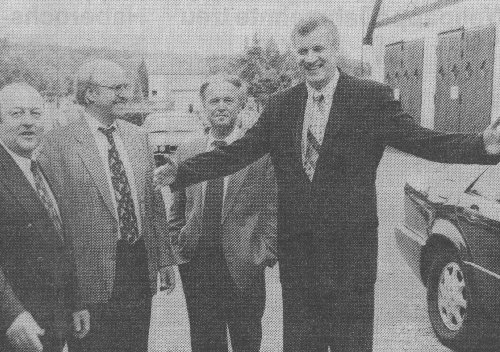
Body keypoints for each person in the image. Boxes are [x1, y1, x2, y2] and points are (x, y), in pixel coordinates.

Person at [154, 15, 500, 352]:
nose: (310, 59)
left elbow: (422, 141)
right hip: (299, 266)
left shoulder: (369, 98)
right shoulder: (281, 106)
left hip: (350, 262)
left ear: (335, 50)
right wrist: (182, 172)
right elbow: (238, 153)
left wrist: (480, 145)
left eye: (318, 49)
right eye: (302, 52)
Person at [39, 60, 176, 352]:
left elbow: (152, 204)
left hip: (137, 266)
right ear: (89, 94)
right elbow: (53, 224)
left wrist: (164, 258)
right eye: (117, 88)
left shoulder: (138, 138)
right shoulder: (58, 144)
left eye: (125, 86)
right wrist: (70, 292)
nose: (125, 94)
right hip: (88, 277)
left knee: (136, 346)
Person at [168, 75, 277, 352]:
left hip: (243, 265)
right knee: (205, 344)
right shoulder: (188, 151)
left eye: (228, 100)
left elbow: (273, 207)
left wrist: (264, 252)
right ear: (203, 107)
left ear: (240, 105)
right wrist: (177, 249)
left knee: (246, 341)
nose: (220, 106)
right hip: (197, 266)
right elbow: (177, 208)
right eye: (213, 100)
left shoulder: (258, 150)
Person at [0, 83, 88, 352]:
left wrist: (75, 302)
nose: (28, 122)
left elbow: (60, 242)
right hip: (16, 328)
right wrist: (11, 314)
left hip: (52, 322)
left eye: (36, 114)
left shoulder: (41, 168)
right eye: (17, 114)